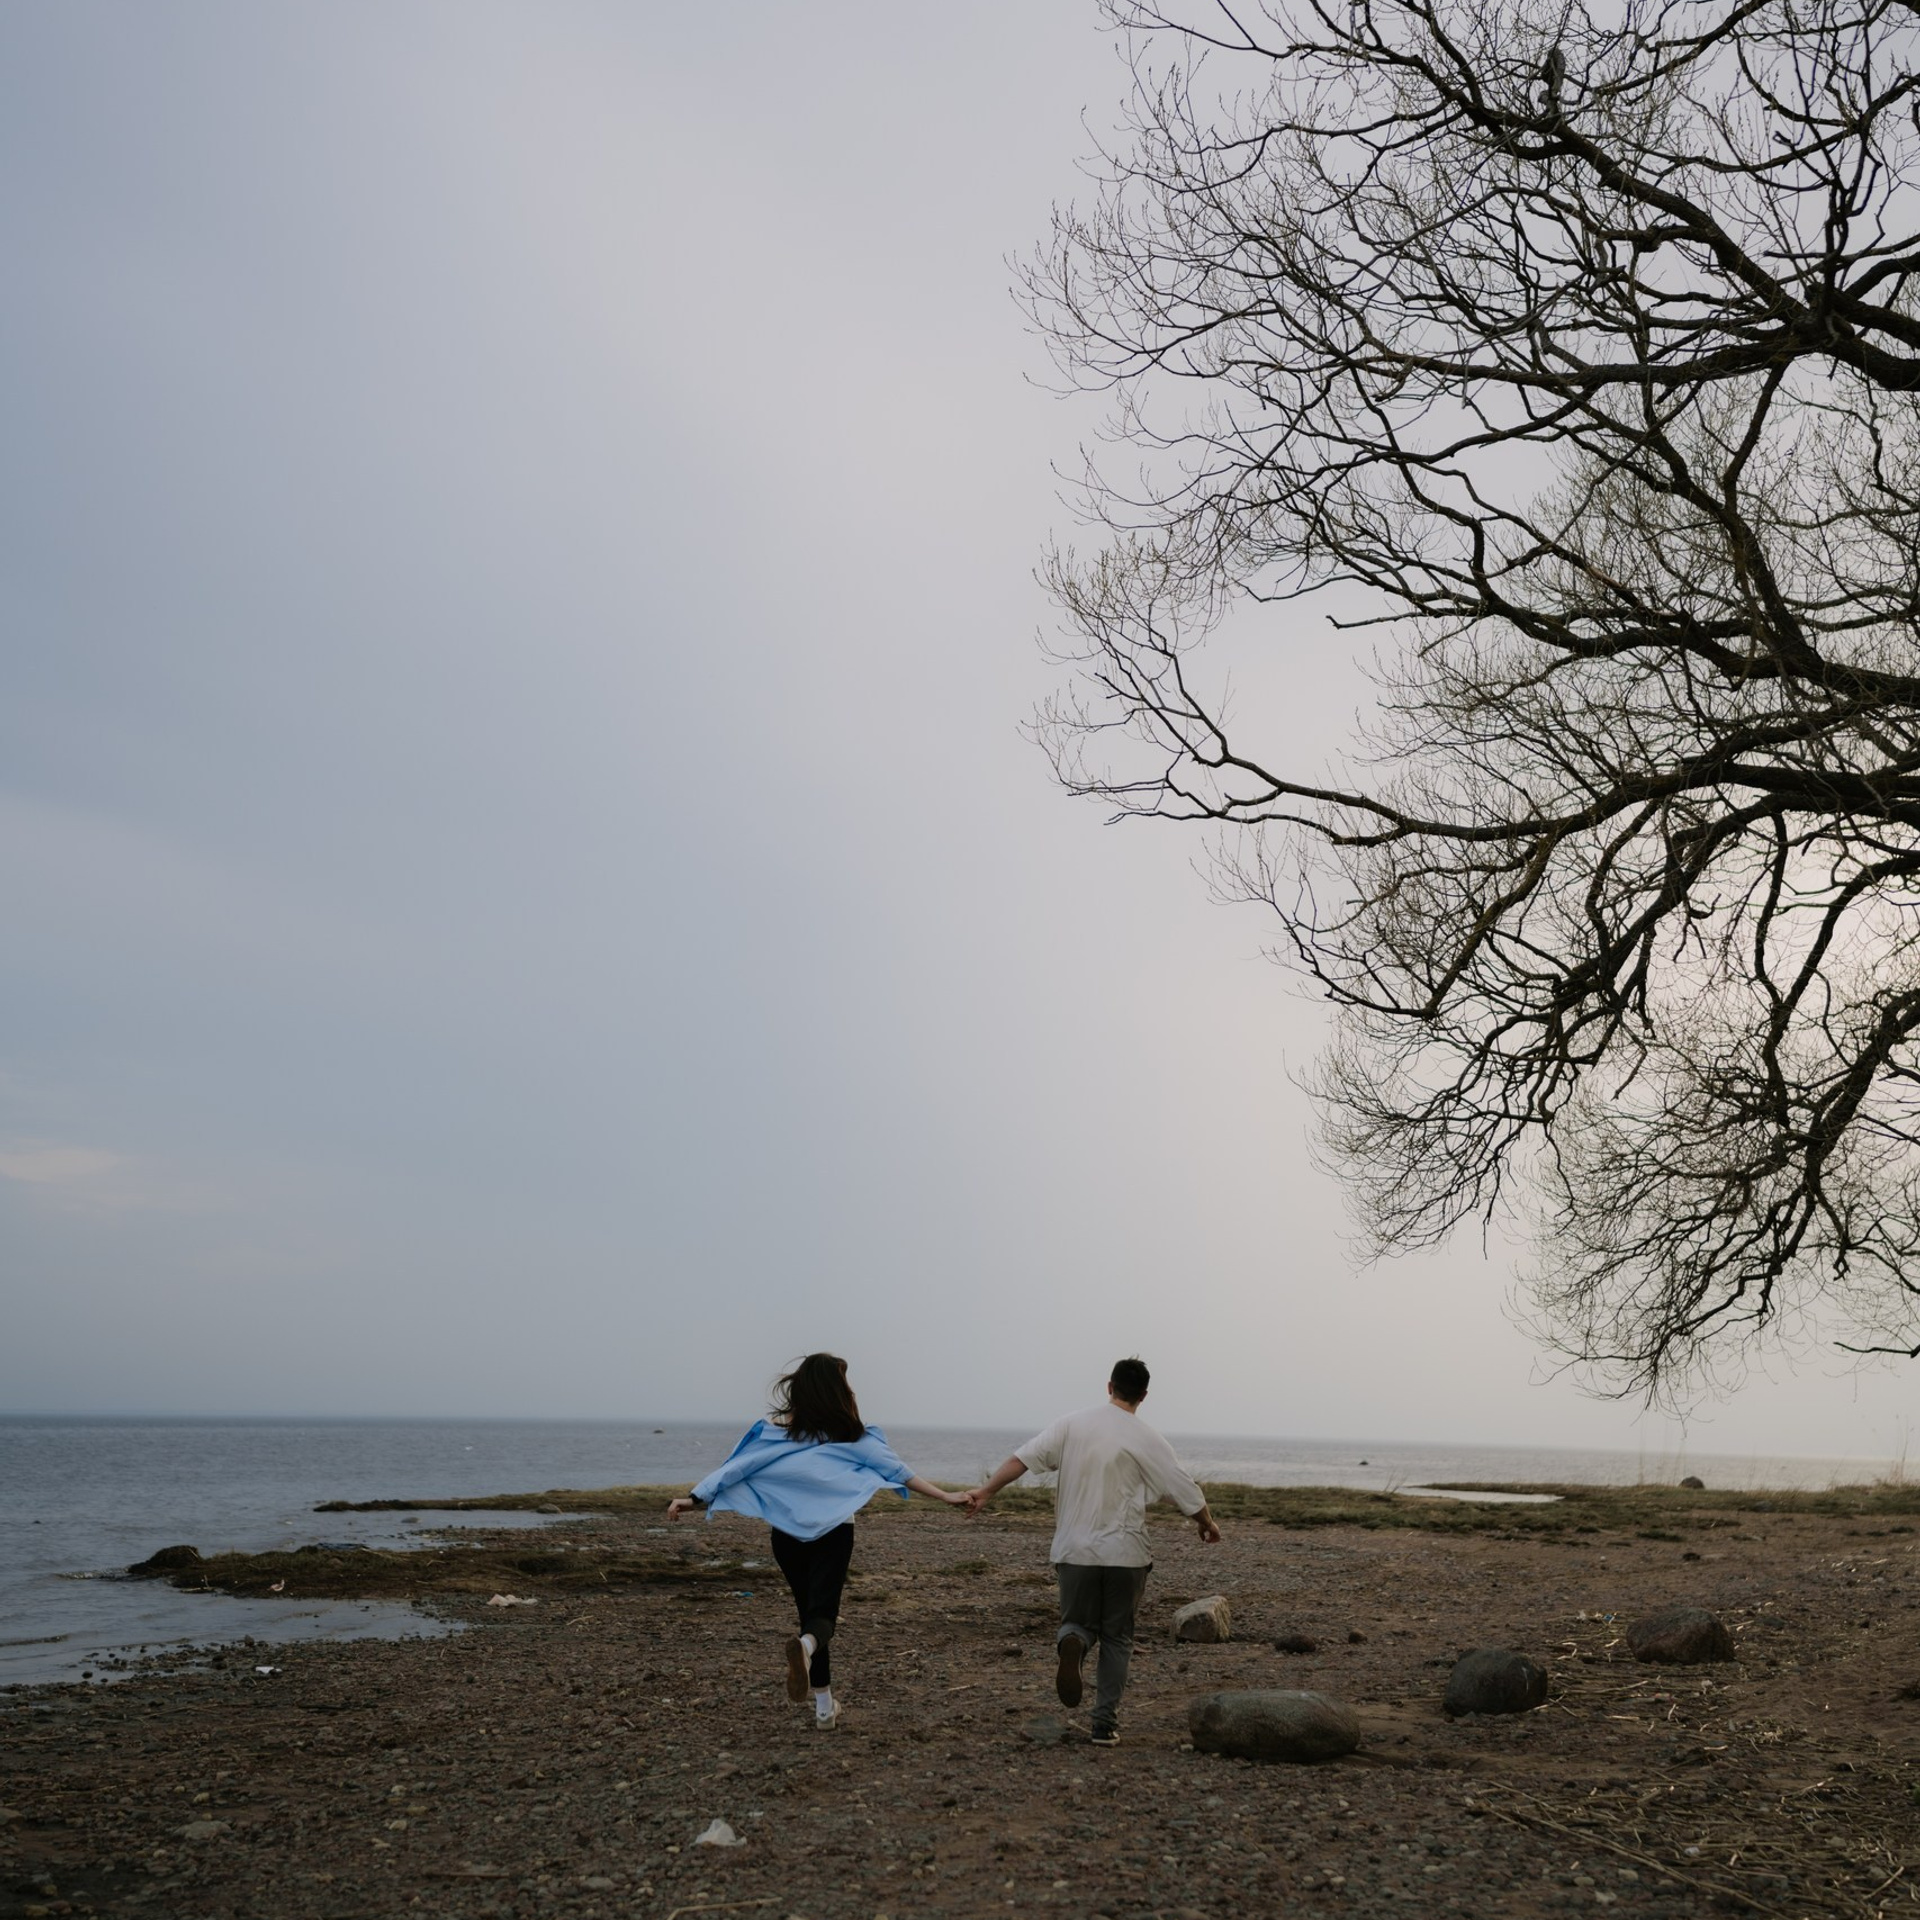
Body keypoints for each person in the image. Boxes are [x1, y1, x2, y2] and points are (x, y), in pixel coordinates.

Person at [667, 1353, 966, 1727]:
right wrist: (946, 1496)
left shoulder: (777, 1432)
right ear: (836, 1388)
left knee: (808, 1612)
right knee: (820, 1618)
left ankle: (824, 1707)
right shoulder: (853, 1435)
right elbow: (900, 1472)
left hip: (786, 1536)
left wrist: (694, 1499)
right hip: (834, 1533)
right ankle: (807, 1654)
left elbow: (735, 1469)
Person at [964, 1356, 1220, 1746]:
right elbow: (1181, 1487)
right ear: (1144, 1396)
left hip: (1074, 1551)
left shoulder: (1071, 1424)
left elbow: (1022, 1460)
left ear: (1109, 1386)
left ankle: (1075, 1642)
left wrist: (985, 1492)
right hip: (1126, 1555)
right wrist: (1206, 1522)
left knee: (1077, 1621)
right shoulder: (1148, 1437)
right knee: (1117, 1637)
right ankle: (1104, 1725)